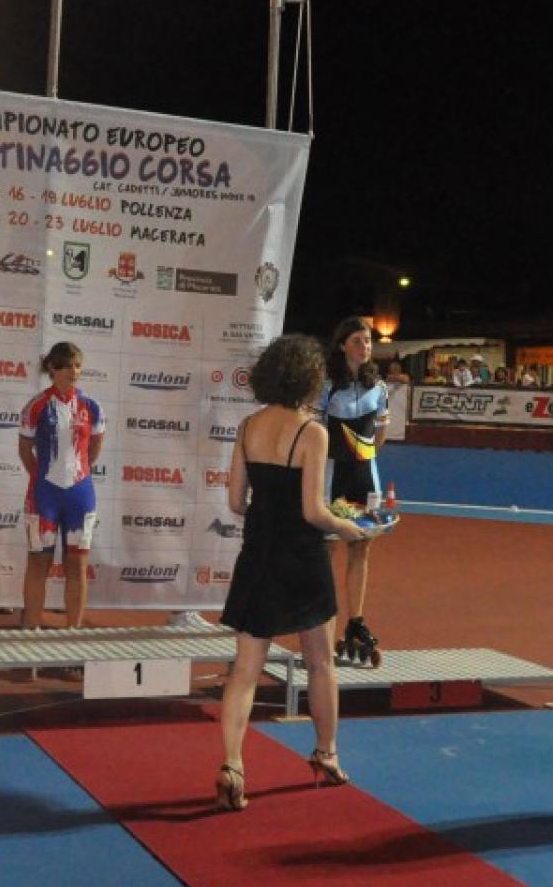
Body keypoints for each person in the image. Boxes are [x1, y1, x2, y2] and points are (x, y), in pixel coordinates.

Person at [215, 334, 377, 811]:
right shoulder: (312, 432)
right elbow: (312, 511)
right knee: (321, 662)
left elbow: (235, 502)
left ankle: (232, 765)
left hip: (258, 553)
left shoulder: (248, 426)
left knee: (245, 669)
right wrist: (349, 528)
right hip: (303, 556)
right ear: (308, 378)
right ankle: (326, 753)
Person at [320, 316, 391, 666]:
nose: (365, 347)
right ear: (342, 346)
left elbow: (380, 432)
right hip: (332, 476)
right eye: (358, 341)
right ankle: (321, 624)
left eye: (368, 341)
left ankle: (356, 622)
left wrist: (367, 458)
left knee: (361, 547)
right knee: (327, 549)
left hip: (366, 477)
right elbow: (314, 433)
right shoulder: (326, 385)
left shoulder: (379, 386)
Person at [18, 341, 104, 630]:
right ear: (53, 369)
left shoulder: (92, 406)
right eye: (67, 366)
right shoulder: (37, 405)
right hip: (44, 496)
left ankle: (73, 635)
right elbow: (25, 450)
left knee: (77, 566)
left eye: (78, 366)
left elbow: (94, 449)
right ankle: (31, 633)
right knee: (38, 563)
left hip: (80, 495)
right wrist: (42, 477)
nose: (74, 371)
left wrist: (77, 473)